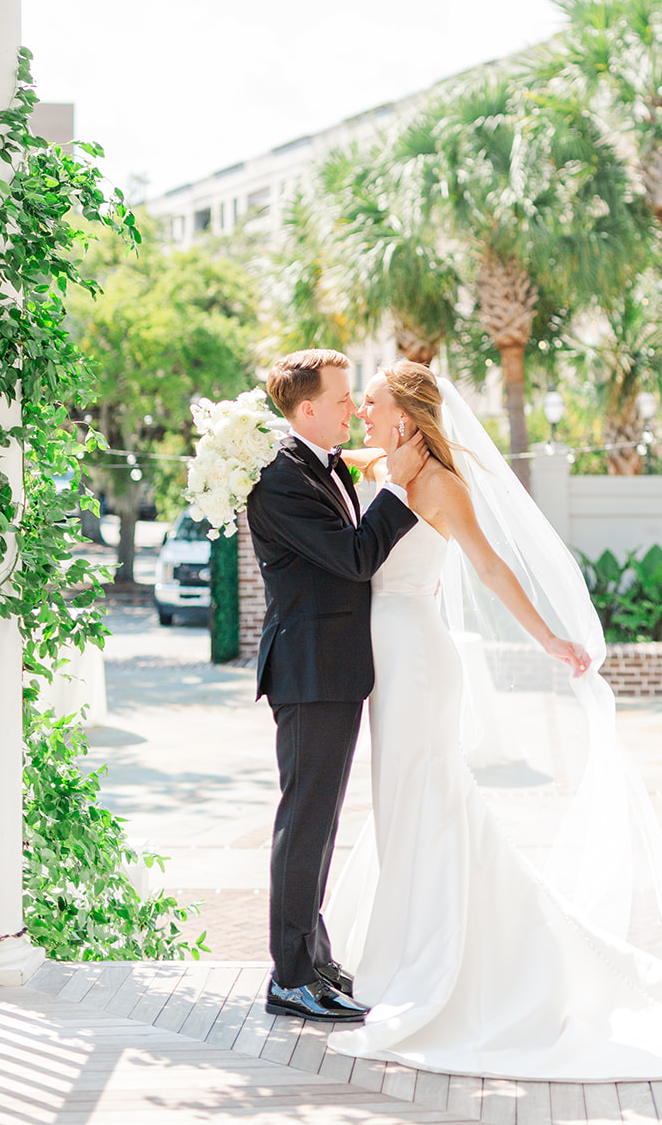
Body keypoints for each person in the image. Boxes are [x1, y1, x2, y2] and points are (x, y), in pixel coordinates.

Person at [322, 361, 662, 1082]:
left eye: (368, 403)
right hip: (387, 656)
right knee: (403, 796)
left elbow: (491, 570)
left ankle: (443, 958)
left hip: (418, 660)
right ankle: (405, 946)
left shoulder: (437, 483)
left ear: (402, 415)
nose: (359, 413)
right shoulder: (386, 464)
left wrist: (548, 638)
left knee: (426, 791)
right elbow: (332, 457)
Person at [246, 348, 427, 1024]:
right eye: (344, 398)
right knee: (304, 825)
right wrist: (401, 489)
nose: (354, 409)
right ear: (307, 409)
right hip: (309, 670)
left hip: (332, 669)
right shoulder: (281, 478)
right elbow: (354, 558)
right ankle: (288, 978)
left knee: (318, 826)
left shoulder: (315, 464)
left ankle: (313, 963)